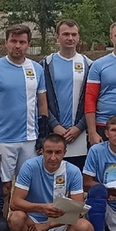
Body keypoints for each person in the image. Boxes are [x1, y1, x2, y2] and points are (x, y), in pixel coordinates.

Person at [0, 24, 49, 214]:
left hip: (30, 139)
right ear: (6, 43)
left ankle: (24, 226)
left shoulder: (37, 68)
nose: (17, 46)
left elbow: (42, 104)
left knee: (29, 187)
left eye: (22, 42)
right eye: (13, 41)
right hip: (3, 139)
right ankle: (0, 225)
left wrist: (43, 136)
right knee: (3, 188)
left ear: (28, 44)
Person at [7, 134, 93, 231]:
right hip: (32, 223)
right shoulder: (29, 167)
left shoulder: (73, 171)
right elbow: (15, 203)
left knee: (86, 229)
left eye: (58, 152)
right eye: (49, 152)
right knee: (15, 218)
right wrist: (42, 208)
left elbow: (77, 210)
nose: (53, 157)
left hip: (60, 222)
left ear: (65, 152)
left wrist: (48, 225)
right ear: (42, 151)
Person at [42, 20, 92, 168]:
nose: (70, 38)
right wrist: (54, 125)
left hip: (79, 134)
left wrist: (80, 127)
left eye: (74, 34)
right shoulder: (46, 64)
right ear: (57, 37)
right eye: (66, 34)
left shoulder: (89, 64)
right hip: (54, 133)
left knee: (77, 176)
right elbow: (41, 100)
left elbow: (92, 100)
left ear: (78, 37)